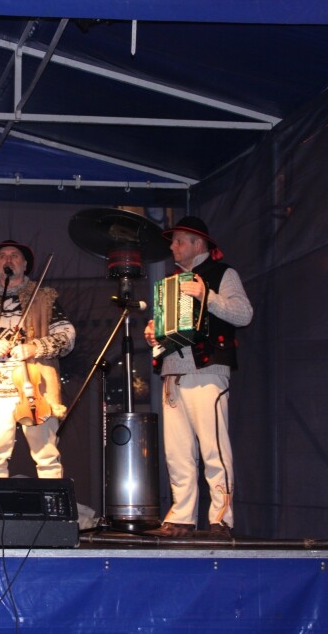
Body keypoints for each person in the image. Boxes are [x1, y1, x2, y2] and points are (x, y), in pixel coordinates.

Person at [143, 216, 253, 540]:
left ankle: (221, 519)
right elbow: (168, 330)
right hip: (173, 372)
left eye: (178, 241)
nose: (173, 247)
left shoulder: (222, 274)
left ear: (198, 244)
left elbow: (243, 313)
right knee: (177, 452)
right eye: (173, 242)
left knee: (213, 448)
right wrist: (154, 334)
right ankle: (181, 516)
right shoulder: (171, 283)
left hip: (207, 369)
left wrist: (207, 295)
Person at [0, 240, 76, 479]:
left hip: (36, 388)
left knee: (46, 454)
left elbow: (67, 335)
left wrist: (35, 347)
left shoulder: (45, 299)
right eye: (2, 256)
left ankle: (51, 513)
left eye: (15, 255)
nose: (8, 260)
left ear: (25, 264)